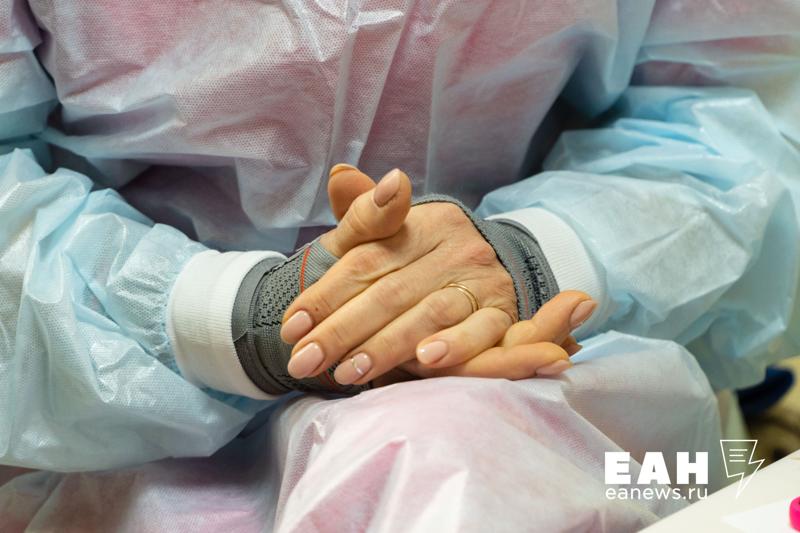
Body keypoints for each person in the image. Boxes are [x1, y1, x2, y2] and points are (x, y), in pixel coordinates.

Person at [1, 0, 799, 530]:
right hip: (98, 415)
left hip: (574, 367)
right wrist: (232, 315)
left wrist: (526, 264)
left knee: (447, 452)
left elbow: (750, 114)